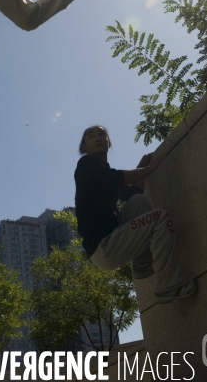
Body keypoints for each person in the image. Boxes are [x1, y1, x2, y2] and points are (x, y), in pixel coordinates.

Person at [74, 125, 198, 304]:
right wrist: (151, 168)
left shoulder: (104, 173)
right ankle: (169, 287)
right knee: (160, 218)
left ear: (108, 142)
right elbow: (119, 178)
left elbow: (134, 191)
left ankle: (142, 263)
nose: (98, 138)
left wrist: (141, 168)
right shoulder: (86, 165)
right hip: (104, 247)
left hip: (112, 237)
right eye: (91, 136)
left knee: (138, 202)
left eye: (102, 134)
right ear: (84, 147)